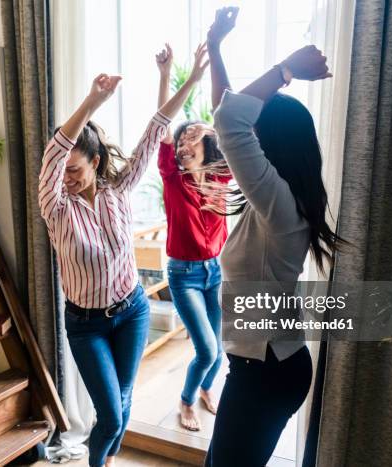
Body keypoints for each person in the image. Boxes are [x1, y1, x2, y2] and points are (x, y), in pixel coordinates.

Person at [39, 64, 205, 467]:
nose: (66, 179)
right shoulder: (56, 206)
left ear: (95, 162)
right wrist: (93, 101)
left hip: (132, 311)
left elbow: (155, 130)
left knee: (125, 399)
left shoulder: (120, 188)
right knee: (111, 414)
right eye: (62, 172)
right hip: (86, 324)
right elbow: (54, 153)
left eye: (75, 170)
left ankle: (108, 458)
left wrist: (195, 77)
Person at [203, 7, 343, 466]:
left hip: (264, 371)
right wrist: (217, 47)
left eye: (257, 137)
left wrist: (285, 71)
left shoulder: (279, 207)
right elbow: (226, 111)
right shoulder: (280, 201)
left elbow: (229, 123)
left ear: (270, 144)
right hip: (269, 365)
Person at [155, 43, 231, 431]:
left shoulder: (222, 176)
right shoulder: (172, 177)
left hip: (215, 272)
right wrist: (166, 76)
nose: (183, 145)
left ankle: (205, 389)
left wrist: (214, 127)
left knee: (218, 353)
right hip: (184, 275)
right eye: (181, 142)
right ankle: (186, 401)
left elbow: (245, 141)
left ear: (206, 145)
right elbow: (163, 127)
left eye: (191, 139)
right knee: (207, 348)